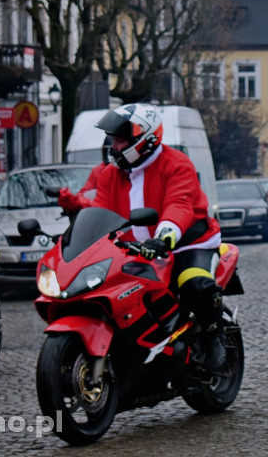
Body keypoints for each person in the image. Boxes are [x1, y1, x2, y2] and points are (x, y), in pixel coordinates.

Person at [93, 103, 225, 370]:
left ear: (146, 138)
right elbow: (100, 212)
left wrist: (165, 238)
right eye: (112, 139)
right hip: (136, 249)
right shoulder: (110, 175)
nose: (114, 146)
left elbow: (180, 204)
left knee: (194, 283)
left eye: (120, 140)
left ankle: (213, 335)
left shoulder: (177, 164)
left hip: (188, 243)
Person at [57, 135, 112, 213]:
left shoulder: (126, 171)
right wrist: (69, 198)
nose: (111, 154)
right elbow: (85, 194)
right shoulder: (98, 170)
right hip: (101, 214)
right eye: (107, 151)